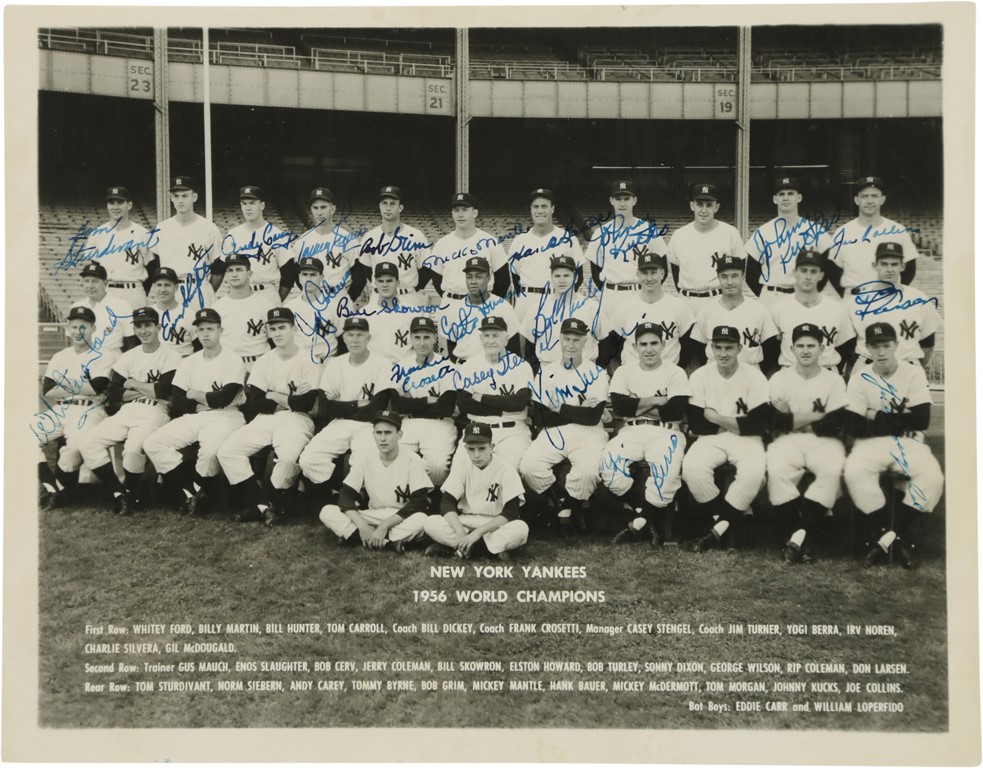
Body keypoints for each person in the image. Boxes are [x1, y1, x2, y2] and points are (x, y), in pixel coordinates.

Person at [843, 322, 944, 570]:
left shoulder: (913, 373)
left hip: (910, 442)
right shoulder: (859, 378)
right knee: (855, 472)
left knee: (932, 479)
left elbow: (921, 420)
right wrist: (897, 419)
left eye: (887, 345)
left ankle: (884, 538)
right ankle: (897, 539)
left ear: (896, 345)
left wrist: (874, 415)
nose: (882, 352)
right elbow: (854, 425)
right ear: (867, 349)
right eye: (875, 347)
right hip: (871, 445)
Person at [217, 307, 322, 526]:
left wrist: (273, 394)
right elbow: (255, 402)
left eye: (282, 327)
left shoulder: (309, 358)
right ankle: (263, 504)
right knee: (227, 452)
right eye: (272, 328)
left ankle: (272, 504)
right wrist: (288, 400)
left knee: (288, 457)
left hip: (299, 420)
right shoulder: (265, 360)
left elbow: (307, 404)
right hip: (266, 419)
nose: (277, 333)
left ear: (293, 328)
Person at [78, 307, 182, 515]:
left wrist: (132, 383)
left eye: (148, 325)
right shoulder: (129, 356)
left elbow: (162, 391)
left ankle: (133, 493)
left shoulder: (171, 355)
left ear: (158, 327)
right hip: (128, 410)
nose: (143, 330)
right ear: (134, 329)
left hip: (157, 410)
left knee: (134, 449)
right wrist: (146, 389)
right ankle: (120, 493)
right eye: (139, 326)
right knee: (88, 444)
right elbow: (115, 393)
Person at [143, 308, 246, 516]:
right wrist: (203, 401)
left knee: (209, 453)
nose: (205, 334)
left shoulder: (233, 359)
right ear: (196, 333)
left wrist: (194, 393)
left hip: (227, 415)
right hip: (197, 415)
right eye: (201, 330)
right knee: (153, 443)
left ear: (220, 330)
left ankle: (202, 494)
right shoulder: (189, 361)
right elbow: (178, 400)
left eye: (210, 329)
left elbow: (223, 399)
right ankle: (194, 491)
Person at [601, 323, 690, 547]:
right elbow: (621, 408)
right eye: (643, 344)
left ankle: (639, 521)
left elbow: (675, 410)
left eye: (653, 343)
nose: (648, 349)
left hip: (666, 432)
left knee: (665, 480)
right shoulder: (624, 371)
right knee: (607, 466)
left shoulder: (675, 372)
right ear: (635, 346)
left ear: (663, 345)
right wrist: (656, 401)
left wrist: (637, 404)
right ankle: (645, 516)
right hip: (632, 430)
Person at [766, 323, 848, 565]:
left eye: (811, 345)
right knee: (777, 470)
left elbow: (835, 424)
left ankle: (797, 537)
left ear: (822, 348)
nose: (805, 351)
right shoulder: (780, 378)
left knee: (831, 471)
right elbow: (772, 421)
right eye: (800, 345)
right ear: (791, 348)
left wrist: (791, 418)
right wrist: (816, 418)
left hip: (824, 442)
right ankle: (805, 538)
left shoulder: (834, 380)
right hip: (787, 441)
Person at [683, 325, 770, 553]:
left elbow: (759, 424)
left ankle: (718, 530)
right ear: (711, 348)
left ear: (739, 348)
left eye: (729, 348)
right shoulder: (701, 375)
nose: (723, 353)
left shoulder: (754, 376)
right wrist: (738, 423)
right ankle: (728, 526)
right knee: (692, 468)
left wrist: (718, 418)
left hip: (746, 441)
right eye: (718, 347)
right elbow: (697, 424)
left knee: (754, 473)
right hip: (711, 438)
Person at [520, 317, 610, 536]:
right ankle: (566, 506)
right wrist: (577, 409)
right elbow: (542, 417)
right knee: (529, 467)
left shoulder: (597, 373)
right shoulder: (547, 371)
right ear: (559, 339)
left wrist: (558, 407)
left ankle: (569, 512)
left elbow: (592, 417)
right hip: (553, 432)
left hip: (590, 433)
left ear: (585, 342)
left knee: (587, 472)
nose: (571, 344)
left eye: (576, 340)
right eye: (566, 338)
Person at [297, 317, 393, 498]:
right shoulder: (336, 363)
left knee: (363, 460)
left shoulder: (382, 364)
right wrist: (356, 404)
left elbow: (376, 409)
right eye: (350, 335)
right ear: (344, 338)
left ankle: (358, 496)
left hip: (369, 425)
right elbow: (324, 407)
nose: (355, 339)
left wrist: (339, 406)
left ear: (368, 338)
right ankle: (338, 491)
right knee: (309, 459)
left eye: (360, 335)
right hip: (340, 424)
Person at [317, 410, 431, 552]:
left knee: (422, 520)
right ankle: (387, 542)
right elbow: (346, 495)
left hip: (400, 517)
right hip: (372, 515)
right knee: (327, 511)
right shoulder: (365, 458)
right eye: (379, 433)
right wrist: (362, 526)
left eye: (388, 433)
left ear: (399, 435)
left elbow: (419, 502)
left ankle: (357, 537)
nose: (383, 438)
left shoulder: (412, 459)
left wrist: (384, 526)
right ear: (373, 435)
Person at [36, 306, 112, 509]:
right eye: (74, 327)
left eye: (84, 327)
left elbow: (96, 388)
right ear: (68, 329)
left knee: (75, 448)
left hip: (88, 409)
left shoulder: (102, 355)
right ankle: (53, 487)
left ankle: (61, 491)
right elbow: (48, 390)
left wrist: (65, 382)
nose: (78, 332)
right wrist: (80, 385)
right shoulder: (60, 356)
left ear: (93, 328)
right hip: (60, 409)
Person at [425, 422, 529, 561]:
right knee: (431, 522)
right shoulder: (463, 466)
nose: (476, 455)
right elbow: (447, 502)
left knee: (520, 529)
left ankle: (463, 548)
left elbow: (511, 512)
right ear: (465, 448)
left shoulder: (506, 469)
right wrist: (459, 530)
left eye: (481, 448)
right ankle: (487, 550)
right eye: (471, 449)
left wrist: (477, 534)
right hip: (467, 521)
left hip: (495, 525)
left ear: (492, 447)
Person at [584, 180, 669, 331]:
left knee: (639, 340)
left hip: (639, 293)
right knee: (609, 344)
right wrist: (609, 290)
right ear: (611, 200)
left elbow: (663, 269)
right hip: (611, 294)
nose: (622, 203)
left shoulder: (648, 230)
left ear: (634, 200)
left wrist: (646, 292)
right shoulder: (601, 233)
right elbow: (595, 272)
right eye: (618, 199)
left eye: (626, 199)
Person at [454, 316, 534, 470]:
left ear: (506, 339)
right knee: (461, 471)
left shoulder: (521, 366)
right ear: (481, 338)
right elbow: (464, 404)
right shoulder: (469, 365)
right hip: (476, 430)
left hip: (512, 433)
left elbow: (519, 403)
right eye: (486, 335)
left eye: (496, 335)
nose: (490, 340)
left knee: (506, 472)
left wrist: (482, 397)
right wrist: (502, 407)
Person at [387, 316, 458, 487]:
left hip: (440, 424)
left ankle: (431, 497)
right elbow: (396, 405)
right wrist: (428, 400)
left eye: (427, 337)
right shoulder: (401, 367)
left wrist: (412, 403)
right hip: (409, 423)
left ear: (435, 337)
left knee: (437, 465)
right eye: (417, 337)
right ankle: (408, 497)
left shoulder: (447, 366)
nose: (422, 342)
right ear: (410, 338)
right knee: (393, 458)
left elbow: (446, 407)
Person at [849, 241, 942, 369]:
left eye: (894, 264)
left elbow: (928, 345)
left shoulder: (919, 299)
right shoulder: (857, 301)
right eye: (884, 264)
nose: (889, 269)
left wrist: (911, 370)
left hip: (907, 364)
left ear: (902, 266)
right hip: (868, 366)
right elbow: (849, 346)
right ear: (874, 265)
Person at [743, 176, 834, 305]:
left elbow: (828, 267)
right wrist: (765, 294)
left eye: (790, 194)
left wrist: (812, 292)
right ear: (775, 199)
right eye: (781, 194)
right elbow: (751, 273)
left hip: (802, 295)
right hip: (771, 295)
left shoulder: (815, 230)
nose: (785, 198)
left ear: (799, 197)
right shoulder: (763, 232)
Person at [600, 251, 696, 369]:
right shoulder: (625, 307)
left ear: (662, 273)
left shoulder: (679, 306)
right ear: (638, 275)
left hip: (668, 375)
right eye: (644, 273)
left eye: (653, 273)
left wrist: (675, 370)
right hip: (633, 375)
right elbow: (613, 345)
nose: (649, 278)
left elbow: (688, 346)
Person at [827, 176, 919, 296]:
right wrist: (846, 293)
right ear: (856, 200)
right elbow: (833, 269)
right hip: (854, 297)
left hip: (888, 297)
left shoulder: (898, 230)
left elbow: (909, 268)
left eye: (874, 196)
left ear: (883, 199)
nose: (869, 201)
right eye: (864, 196)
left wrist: (894, 291)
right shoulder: (842, 232)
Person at [771, 249, 856, 373]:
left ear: (821, 275)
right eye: (803, 271)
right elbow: (771, 351)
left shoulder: (836, 308)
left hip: (827, 373)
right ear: (795, 273)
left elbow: (846, 347)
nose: (808, 277)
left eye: (813, 271)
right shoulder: (778, 308)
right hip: (790, 374)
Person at [690, 255, 780, 372]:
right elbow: (698, 348)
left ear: (743, 277)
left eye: (734, 276)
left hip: (750, 372)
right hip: (715, 372)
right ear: (718, 278)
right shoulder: (707, 310)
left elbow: (770, 349)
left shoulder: (759, 309)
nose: (729, 282)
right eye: (724, 277)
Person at [508, 188, 584, 324]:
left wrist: (563, 299)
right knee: (523, 344)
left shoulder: (567, 238)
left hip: (556, 298)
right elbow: (515, 276)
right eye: (536, 207)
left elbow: (578, 276)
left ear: (552, 209)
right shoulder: (519, 241)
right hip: (527, 299)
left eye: (544, 206)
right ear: (531, 209)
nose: (540, 211)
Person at [667, 183, 745, 314]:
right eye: (699, 204)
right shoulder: (679, 235)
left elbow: (740, 270)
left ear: (717, 207)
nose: (704, 210)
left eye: (709, 205)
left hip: (718, 300)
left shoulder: (730, 233)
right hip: (687, 302)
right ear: (692, 206)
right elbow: (676, 272)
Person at [149, 175, 224, 309]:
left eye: (185, 196)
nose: (180, 201)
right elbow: (156, 266)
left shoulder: (209, 228)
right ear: (171, 198)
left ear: (194, 197)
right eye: (176, 196)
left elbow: (218, 269)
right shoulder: (161, 229)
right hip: (171, 289)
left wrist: (205, 289)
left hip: (198, 288)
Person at [521, 254, 601, 373]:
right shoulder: (537, 308)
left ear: (576, 277)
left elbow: (606, 342)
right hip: (549, 372)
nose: (562, 280)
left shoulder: (592, 306)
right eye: (557, 276)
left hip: (585, 371)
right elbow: (528, 345)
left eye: (566, 276)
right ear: (551, 278)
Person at [356, 185, 434, 308]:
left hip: (407, 296)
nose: (388, 208)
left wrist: (412, 287)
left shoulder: (415, 236)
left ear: (400, 207)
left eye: (392, 204)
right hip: (379, 297)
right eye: (384, 203)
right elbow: (366, 269)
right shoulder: (370, 237)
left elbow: (427, 269)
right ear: (380, 206)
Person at [85, 185, 157, 311]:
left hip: (134, 291)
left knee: (136, 330)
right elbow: (96, 271)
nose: (115, 207)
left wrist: (139, 289)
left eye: (120, 202)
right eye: (111, 203)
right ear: (107, 205)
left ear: (129, 205)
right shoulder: (97, 234)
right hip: (108, 291)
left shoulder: (142, 234)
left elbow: (152, 270)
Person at [221, 185, 295, 305]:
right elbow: (224, 268)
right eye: (244, 203)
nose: (248, 208)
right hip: (239, 293)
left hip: (266, 292)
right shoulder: (233, 235)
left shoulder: (277, 235)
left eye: (252, 203)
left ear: (262, 205)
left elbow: (289, 274)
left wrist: (276, 300)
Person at [426, 192, 510, 300]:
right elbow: (437, 280)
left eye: (465, 210)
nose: (460, 215)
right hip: (452, 302)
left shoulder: (491, 242)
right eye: (456, 210)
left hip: (482, 302)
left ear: (475, 213)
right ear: (452, 213)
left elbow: (503, 280)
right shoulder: (442, 244)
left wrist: (490, 304)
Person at [288, 186, 365, 302]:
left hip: (338, 297)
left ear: (332, 209)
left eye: (323, 207)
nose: (319, 212)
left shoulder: (348, 240)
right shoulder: (302, 241)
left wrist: (348, 300)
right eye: (315, 208)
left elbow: (360, 276)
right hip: (312, 298)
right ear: (311, 209)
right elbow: (296, 274)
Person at [438, 255, 520, 363]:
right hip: (464, 367)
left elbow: (514, 347)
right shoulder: (454, 309)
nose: (473, 281)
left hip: (495, 367)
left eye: (478, 276)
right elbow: (451, 347)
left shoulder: (503, 307)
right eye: (469, 276)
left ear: (489, 278)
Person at [212, 256, 273, 372]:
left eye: (239, 270)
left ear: (249, 274)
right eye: (230, 271)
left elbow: (274, 342)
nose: (234, 274)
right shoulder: (217, 308)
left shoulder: (265, 305)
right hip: (228, 367)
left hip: (259, 366)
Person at [69, 261, 136, 367]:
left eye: (95, 281)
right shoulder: (76, 307)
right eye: (86, 281)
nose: (90, 286)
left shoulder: (122, 305)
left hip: (113, 360)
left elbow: (131, 341)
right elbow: (71, 340)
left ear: (105, 283)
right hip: (83, 358)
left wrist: (124, 367)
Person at [357, 261, 425, 362]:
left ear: (398, 283)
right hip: (375, 370)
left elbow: (421, 349)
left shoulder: (413, 313)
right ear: (375, 283)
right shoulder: (364, 314)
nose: (385, 285)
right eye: (380, 281)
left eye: (389, 281)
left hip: (404, 369)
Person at [284, 256, 344, 364]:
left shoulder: (333, 306)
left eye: (313, 274)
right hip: (301, 363)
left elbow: (343, 340)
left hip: (328, 361)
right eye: (305, 274)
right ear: (299, 277)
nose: (308, 278)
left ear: (322, 277)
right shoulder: (290, 308)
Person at [149, 267, 197, 358]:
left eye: (167, 285)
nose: (162, 289)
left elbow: (199, 346)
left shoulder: (188, 314)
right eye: (159, 285)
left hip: (182, 362)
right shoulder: (149, 313)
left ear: (176, 287)